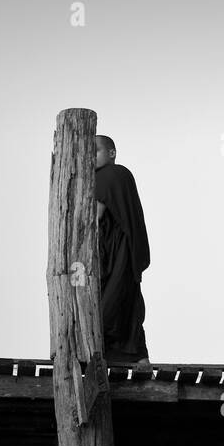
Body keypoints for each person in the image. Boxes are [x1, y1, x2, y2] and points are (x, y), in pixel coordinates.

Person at [93, 135, 151, 370]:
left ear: (112, 153)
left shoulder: (110, 174)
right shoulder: (120, 175)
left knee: (108, 307)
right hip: (122, 253)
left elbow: (92, 218)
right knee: (127, 305)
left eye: (95, 151)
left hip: (116, 253)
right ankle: (140, 360)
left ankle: (102, 359)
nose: (90, 157)